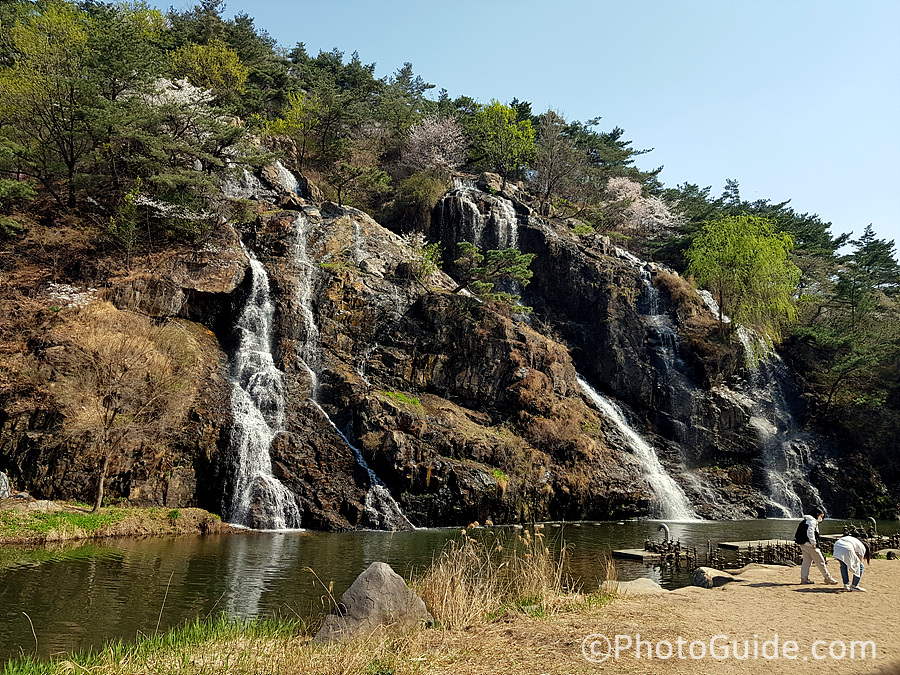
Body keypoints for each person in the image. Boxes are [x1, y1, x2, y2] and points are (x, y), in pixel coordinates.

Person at [793, 510, 839, 585]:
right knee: (820, 561)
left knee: (806, 562)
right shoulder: (812, 521)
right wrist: (813, 543)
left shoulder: (806, 520)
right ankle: (828, 578)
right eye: (821, 516)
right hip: (810, 545)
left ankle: (804, 579)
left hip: (803, 544)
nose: (821, 517)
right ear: (817, 515)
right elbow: (810, 532)